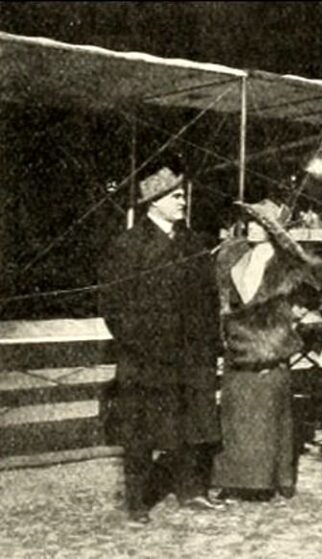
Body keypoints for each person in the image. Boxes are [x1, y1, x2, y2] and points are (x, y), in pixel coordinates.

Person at [99, 154, 224, 525]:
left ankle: (192, 491)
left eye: (183, 196)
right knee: (140, 432)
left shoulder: (194, 244)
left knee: (193, 425)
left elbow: (209, 301)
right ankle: (137, 503)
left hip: (192, 356)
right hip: (145, 358)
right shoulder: (128, 245)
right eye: (176, 197)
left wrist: (210, 347)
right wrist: (143, 343)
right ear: (154, 203)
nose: (183, 202)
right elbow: (113, 305)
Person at [213, 199, 322, 502]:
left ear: (273, 229)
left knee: (267, 417)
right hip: (238, 346)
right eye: (250, 221)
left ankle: (268, 480)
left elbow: (311, 298)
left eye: (260, 223)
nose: (252, 226)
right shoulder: (234, 257)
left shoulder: (287, 266)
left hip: (270, 349)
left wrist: (292, 320)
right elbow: (226, 300)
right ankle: (234, 479)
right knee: (236, 416)